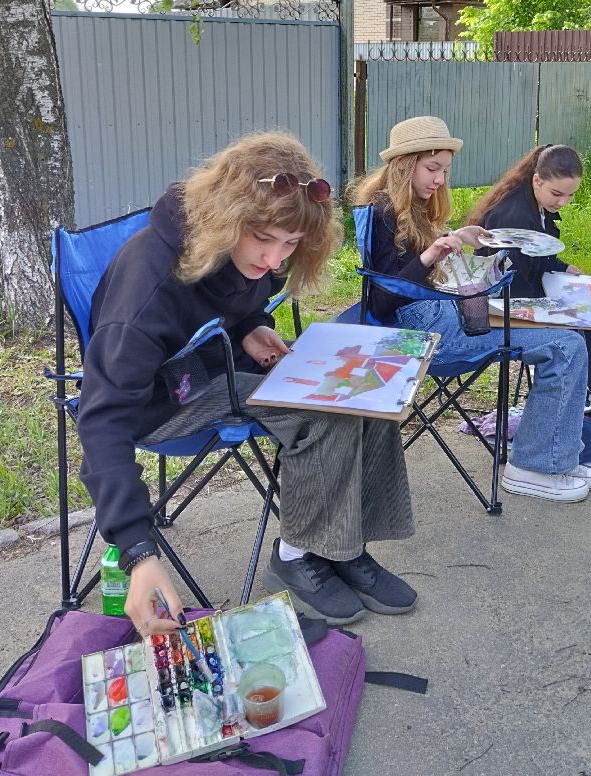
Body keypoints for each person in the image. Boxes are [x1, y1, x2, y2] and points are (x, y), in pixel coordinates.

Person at [77, 130, 418, 635]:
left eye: (291, 245)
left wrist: (250, 327)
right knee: (321, 413)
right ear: (228, 216)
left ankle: (343, 545)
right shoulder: (146, 291)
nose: (274, 260)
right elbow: (102, 418)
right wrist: (137, 551)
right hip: (159, 402)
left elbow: (231, 300)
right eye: (263, 240)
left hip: (212, 362)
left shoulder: (240, 244)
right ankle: (298, 554)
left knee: (367, 393)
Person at [352, 116, 591, 504]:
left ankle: (558, 457)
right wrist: (434, 252)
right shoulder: (383, 213)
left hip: (447, 315)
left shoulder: (413, 208)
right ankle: (533, 467)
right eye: (432, 168)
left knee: (571, 335)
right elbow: (382, 302)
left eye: (445, 171)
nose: (439, 180)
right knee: (565, 347)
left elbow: (424, 277)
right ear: (404, 165)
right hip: (425, 335)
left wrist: (458, 242)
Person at [468, 144, 591, 393]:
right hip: (500, 301)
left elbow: (537, 260)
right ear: (536, 180)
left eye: (570, 195)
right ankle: (586, 392)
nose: (563, 202)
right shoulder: (514, 214)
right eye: (557, 193)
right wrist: (567, 294)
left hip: (522, 288)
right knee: (586, 316)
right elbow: (521, 275)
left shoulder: (533, 203)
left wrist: (563, 268)